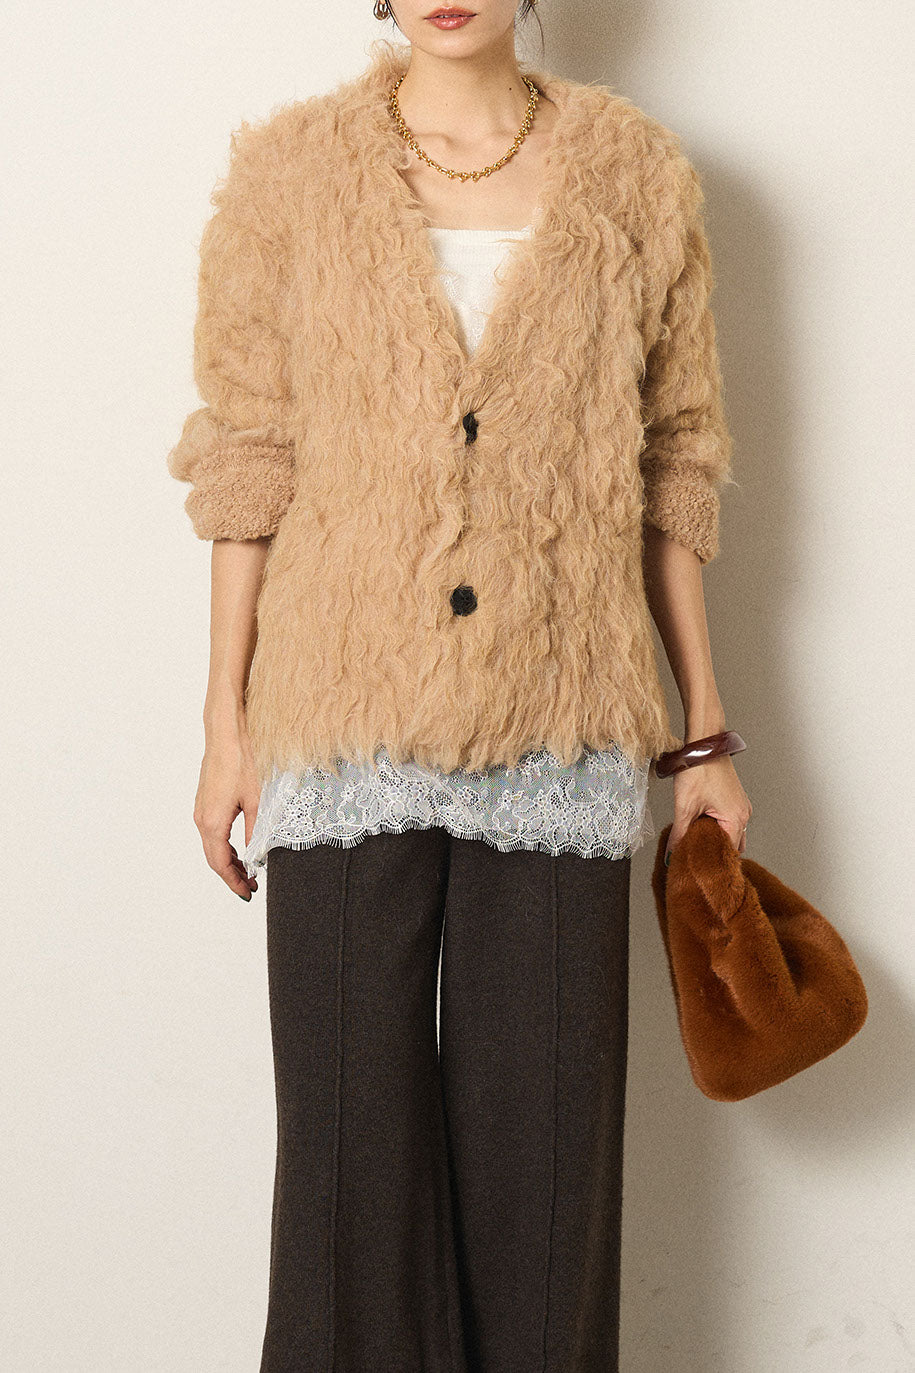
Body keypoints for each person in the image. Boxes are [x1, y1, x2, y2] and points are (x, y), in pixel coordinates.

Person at [167, 4, 752, 1369]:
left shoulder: (637, 176)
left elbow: (676, 465)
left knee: (546, 1179)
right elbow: (247, 458)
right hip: (340, 721)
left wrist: (705, 734)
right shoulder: (288, 173)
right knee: (345, 1173)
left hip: (562, 719)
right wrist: (224, 726)